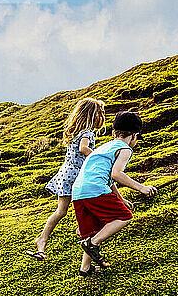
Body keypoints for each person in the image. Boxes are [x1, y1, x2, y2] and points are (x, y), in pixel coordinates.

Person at [71, 111, 157, 277]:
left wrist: (121, 199)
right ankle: (93, 244)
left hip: (79, 191)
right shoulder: (124, 149)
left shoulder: (103, 148)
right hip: (95, 189)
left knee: (92, 232)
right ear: (134, 135)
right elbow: (116, 175)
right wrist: (141, 187)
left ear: (114, 132)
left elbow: (107, 177)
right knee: (124, 216)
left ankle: (85, 270)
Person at [25, 98, 105, 260]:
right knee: (90, 203)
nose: (103, 116)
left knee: (61, 211)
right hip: (76, 176)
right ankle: (83, 231)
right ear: (92, 114)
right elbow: (83, 148)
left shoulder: (78, 131)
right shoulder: (88, 133)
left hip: (66, 174)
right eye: (101, 113)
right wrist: (99, 157)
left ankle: (42, 239)